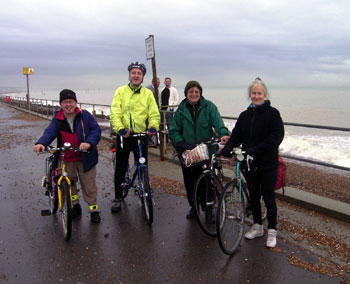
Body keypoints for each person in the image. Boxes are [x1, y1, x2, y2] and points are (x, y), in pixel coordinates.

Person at [219, 77, 284, 248]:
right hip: (249, 163)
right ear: (250, 95)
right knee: (254, 196)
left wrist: (256, 149)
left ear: (264, 94)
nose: (256, 96)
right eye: (254, 93)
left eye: (259, 93)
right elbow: (236, 136)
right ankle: (257, 226)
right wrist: (227, 149)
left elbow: (277, 137)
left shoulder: (273, 114)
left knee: (268, 197)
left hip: (268, 163)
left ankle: (272, 230)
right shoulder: (245, 115)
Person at [33, 89, 102, 223]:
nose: (68, 104)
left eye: (71, 101)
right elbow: (50, 132)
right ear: (61, 104)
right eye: (65, 102)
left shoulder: (85, 115)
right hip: (66, 158)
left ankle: (93, 209)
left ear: (76, 102)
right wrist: (41, 143)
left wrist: (88, 142)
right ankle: (75, 206)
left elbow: (96, 130)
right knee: (70, 185)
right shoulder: (58, 118)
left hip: (85, 157)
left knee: (89, 186)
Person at [169, 80, 230, 219]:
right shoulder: (181, 109)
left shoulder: (209, 107)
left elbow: (218, 123)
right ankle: (194, 207)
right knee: (190, 182)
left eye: (197, 91)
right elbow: (173, 130)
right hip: (188, 153)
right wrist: (181, 143)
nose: (194, 94)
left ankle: (209, 208)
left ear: (200, 93)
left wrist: (223, 134)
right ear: (186, 94)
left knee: (207, 182)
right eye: (191, 92)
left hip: (206, 151)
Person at [110, 61, 160, 213]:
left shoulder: (148, 94)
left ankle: (144, 186)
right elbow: (115, 112)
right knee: (120, 167)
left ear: (143, 76)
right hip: (124, 136)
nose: (136, 75)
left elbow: (154, 113)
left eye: (139, 73)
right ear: (129, 75)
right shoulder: (120, 91)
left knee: (142, 163)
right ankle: (118, 197)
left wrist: (153, 126)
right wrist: (120, 128)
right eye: (134, 73)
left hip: (141, 136)